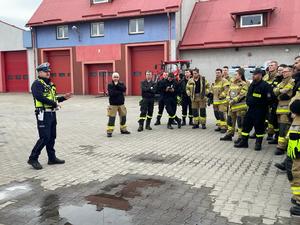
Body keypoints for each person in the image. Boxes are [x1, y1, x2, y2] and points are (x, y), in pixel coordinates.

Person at [27, 62, 72, 170]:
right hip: (43, 113)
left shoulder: (50, 84)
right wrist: (54, 103)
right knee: (44, 137)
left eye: (49, 71)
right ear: (40, 72)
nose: (48, 73)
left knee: (52, 136)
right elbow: (40, 97)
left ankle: (51, 158)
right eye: (46, 71)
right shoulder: (37, 84)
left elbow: (54, 98)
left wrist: (63, 98)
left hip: (51, 113)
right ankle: (33, 158)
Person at [234, 68, 272, 151]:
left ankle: (258, 144)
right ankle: (244, 142)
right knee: (246, 126)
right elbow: (248, 95)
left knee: (259, 127)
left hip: (260, 110)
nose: (253, 75)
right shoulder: (252, 84)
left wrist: (260, 104)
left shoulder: (265, 85)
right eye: (253, 74)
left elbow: (269, 99)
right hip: (251, 109)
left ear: (260, 75)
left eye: (254, 74)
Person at [220, 68, 248, 142]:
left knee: (240, 123)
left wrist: (233, 100)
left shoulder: (244, 84)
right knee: (230, 121)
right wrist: (228, 98)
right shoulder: (232, 83)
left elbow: (242, 94)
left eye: (236, 74)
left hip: (240, 107)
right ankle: (229, 135)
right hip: (232, 107)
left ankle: (240, 137)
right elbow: (228, 92)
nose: (234, 76)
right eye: (234, 74)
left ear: (240, 75)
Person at [273, 66, 295, 155]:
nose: (283, 73)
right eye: (283, 72)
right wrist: (280, 91)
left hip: (286, 109)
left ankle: (281, 147)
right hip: (280, 109)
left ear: (291, 72)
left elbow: (287, 94)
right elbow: (275, 91)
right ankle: (283, 145)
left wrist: (279, 92)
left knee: (283, 129)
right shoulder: (282, 81)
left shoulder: (292, 82)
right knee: (281, 128)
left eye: (286, 72)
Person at [286, 97, 300, 216]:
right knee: (293, 170)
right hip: (295, 146)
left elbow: (295, 105)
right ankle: (297, 197)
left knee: (298, 172)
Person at [107, 72, 130, 137]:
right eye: (114, 77)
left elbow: (124, 89)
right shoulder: (110, 85)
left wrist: (117, 86)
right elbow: (111, 94)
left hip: (121, 104)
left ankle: (123, 130)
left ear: (119, 78)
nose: (116, 78)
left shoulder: (121, 83)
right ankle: (109, 131)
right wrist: (120, 91)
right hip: (113, 105)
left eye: (117, 77)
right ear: (112, 77)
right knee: (112, 118)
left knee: (123, 117)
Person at [211, 68, 230, 133]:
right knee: (217, 114)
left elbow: (226, 90)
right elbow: (212, 90)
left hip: (222, 101)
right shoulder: (215, 81)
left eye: (218, 72)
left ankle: (224, 127)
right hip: (215, 101)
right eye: (216, 73)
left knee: (222, 114)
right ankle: (219, 126)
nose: (217, 74)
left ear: (221, 73)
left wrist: (222, 95)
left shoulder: (224, 81)